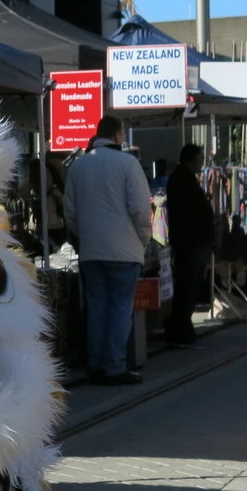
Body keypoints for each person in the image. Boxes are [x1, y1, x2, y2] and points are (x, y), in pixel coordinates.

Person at [64, 115, 153, 386]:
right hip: (124, 251)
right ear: (118, 135)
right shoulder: (128, 163)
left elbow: (70, 211)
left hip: (91, 250)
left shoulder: (79, 166)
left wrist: (86, 236)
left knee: (97, 307)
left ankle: (96, 365)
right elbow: (140, 210)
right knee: (119, 309)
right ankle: (114, 366)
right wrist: (143, 239)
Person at [165, 143, 216, 348]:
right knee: (187, 285)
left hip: (193, 242)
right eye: (200, 158)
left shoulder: (184, 178)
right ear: (192, 159)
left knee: (190, 285)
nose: (202, 162)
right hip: (190, 243)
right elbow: (188, 213)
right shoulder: (181, 179)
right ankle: (181, 329)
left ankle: (181, 327)